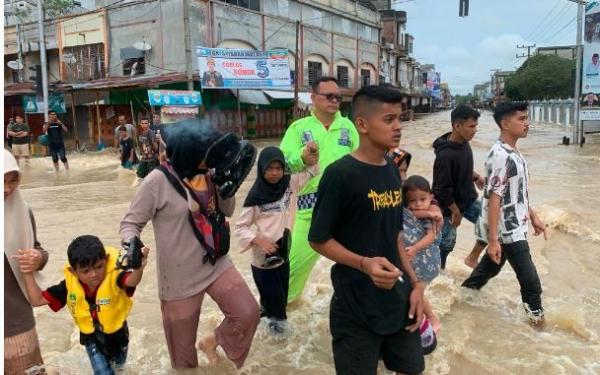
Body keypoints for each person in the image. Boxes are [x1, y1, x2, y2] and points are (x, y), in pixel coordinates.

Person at [120, 119, 259, 369]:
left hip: (216, 262)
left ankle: (213, 340)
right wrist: (132, 245)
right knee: (184, 362)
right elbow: (130, 223)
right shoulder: (156, 181)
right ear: (191, 154)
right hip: (179, 277)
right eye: (208, 157)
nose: (212, 162)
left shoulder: (210, 173)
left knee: (248, 313)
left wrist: (228, 187)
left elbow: (226, 212)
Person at [308, 85, 425, 375]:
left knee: (412, 369)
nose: (398, 127)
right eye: (388, 120)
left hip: (397, 301)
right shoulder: (340, 175)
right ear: (361, 124)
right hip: (355, 305)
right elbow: (318, 240)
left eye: (400, 118)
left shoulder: (390, 168)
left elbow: (395, 235)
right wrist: (364, 264)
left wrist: (416, 284)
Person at [462, 102, 547, 329]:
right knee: (531, 284)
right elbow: (494, 197)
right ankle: (539, 330)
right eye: (521, 119)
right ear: (505, 124)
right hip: (508, 231)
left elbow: (516, 194)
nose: (527, 123)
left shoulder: (514, 152)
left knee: (486, 271)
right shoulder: (500, 155)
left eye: (526, 118)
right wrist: (491, 240)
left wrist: (534, 216)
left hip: (515, 225)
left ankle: (460, 301)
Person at [17, 235, 149, 374]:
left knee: (118, 369)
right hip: (91, 339)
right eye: (85, 271)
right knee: (103, 373)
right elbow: (37, 300)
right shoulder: (68, 286)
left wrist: (138, 268)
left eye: (99, 267)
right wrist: (27, 273)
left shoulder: (115, 277)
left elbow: (132, 281)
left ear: (107, 260)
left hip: (119, 336)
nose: (93, 274)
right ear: (73, 272)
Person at [280, 76, 359, 303]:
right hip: (311, 207)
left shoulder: (349, 127)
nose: (335, 100)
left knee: (361, 264)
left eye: (338, 97)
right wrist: (302, 158)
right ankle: (282, 309)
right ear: (313, 98)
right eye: (329, 96)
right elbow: (281, 163)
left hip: (348, 207)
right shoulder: (298, 129)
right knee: (293, 267)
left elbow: (364, 159)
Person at [234, 147, 318, 337]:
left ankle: (257, 333)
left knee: (276, 303)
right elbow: (240, 227)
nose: (274, 173)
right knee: (278, 312)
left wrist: (310, 153)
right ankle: (282, 352)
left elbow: (313, 170)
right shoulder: (255, 198)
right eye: (269, 168)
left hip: (283, 254)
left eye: (278, 168)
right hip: (264, 263)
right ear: (261, 169)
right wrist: (258, 239)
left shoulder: (290, 185)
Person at [4, 149, 48, 375]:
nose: (7, 188)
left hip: (16, 319)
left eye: (13, 180)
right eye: (1, 180)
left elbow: (37, 248)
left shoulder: (23, 211)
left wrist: (38, 258)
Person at [432, 105, 486, 269]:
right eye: (471, 126)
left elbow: (461, 168)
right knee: (446, 245)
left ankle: (472, 258)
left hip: (468, 199)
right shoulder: (445, 156)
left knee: (492, 223)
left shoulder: (463, 142)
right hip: (449, 208)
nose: (475, 130)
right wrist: (455, 212)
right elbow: (442, 189)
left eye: (476, 126)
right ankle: (438, 273)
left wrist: (475, 176)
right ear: (457, 126)